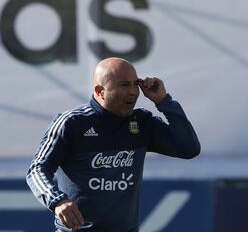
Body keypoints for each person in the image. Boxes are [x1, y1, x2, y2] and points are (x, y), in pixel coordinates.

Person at [26, 57, 201, 232]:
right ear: (100, 91)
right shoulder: (72, 123)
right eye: (124, 85)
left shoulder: (142, 122)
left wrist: (163, 101)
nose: (133, 91)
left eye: (135, 84)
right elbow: (37, 170)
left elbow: (188, 148)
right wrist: (58, 201)